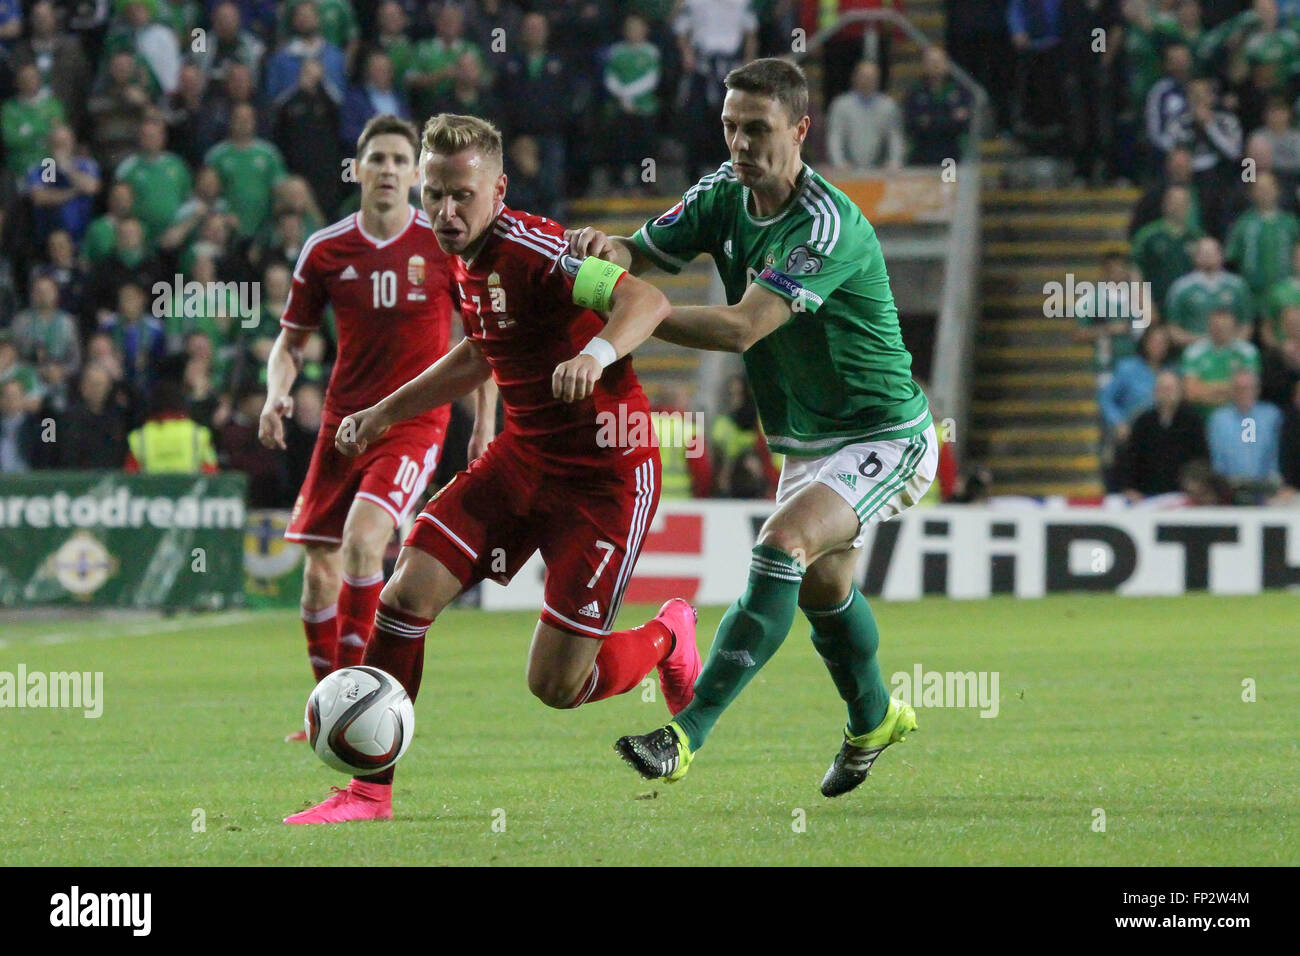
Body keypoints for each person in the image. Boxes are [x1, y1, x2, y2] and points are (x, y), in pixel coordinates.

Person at [282, 112, 699, 826]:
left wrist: (594, 355)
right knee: (405, 594)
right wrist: (383, 413)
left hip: (605, 475)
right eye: (434, 193)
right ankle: (367, 792)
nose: (444, 211)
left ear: (497, 189)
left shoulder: (539, 249)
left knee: (558, 684)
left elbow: (647, 300)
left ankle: (667, 634)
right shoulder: (459, 253)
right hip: (524, 457)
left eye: (461, 196)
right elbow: (479, 353)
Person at [567, 59, 935, 795]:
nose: (740, 143)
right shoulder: (720, 193)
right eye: (731, 127)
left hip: (885, 433)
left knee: (782, 544)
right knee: (824, 592)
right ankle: (874, 718)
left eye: (758, 130)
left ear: (800, 130)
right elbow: (641, 252)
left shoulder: (826, 224)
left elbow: (742, 330)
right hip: (807, 441)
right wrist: (605, 251)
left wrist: (636, 317)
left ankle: (686, 732)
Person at [259, 115, 474, 712]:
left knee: (362, 542)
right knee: (319, 574)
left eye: (400, 161)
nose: (387, 169)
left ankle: (359, 705)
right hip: (342, 425)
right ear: (358, 169)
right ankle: (328, 710)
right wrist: (278, 392)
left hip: (412, 423)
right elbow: (291, 341)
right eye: (377, 158)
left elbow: (481, 339)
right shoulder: (326, 248)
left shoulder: (441, 244)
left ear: (415, 174)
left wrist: (483, 422)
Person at [1116, 369, 1210, 501]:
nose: (1166, 393)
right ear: (1155, 391)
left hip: (1183, 495)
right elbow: (1130, 459)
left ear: (1179, 391)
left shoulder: (1193, 421)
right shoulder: (1143, 421)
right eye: (1162, 388)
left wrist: (1195, 486)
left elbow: (1201, 458)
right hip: (1147, 495)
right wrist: (1130, 488)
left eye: (1170, 388)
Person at [1207, 369, 1283, 499]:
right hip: (1229, 489)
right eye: (1239, 388)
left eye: (1248, 388)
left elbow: (1277, 452)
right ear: (1231, 391)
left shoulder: (1272, 415)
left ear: (1257, 390)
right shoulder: (1219, 419)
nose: (1244, 393)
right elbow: (1216, 458)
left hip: (1267, 488)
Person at [825, 59, 904, 173]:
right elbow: (835, 136)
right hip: (847, 169)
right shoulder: (840, 105)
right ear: (855, 78)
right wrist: (839, 162)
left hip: (879, 169)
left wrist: (894, 162)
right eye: (864, 76)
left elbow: (895, 137)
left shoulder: (888, 106)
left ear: (878, 79)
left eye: (872, 77)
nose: (868, 80)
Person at [124, 379, 218, 474]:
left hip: (153, 489)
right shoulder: (198, 434)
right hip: (189, 488)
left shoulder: (140, 437)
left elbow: (130, 475)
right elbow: (211, 471)